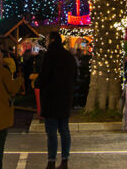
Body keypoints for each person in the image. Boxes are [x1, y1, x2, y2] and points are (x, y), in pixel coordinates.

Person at [35, 32, 77, 169]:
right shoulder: (68, 56)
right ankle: (65, 160)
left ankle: (51, 160)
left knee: (51, 131)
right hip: (65, 96)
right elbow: (75, 75)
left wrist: (37, 83)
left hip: (51, 97)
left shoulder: (49, 56)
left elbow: (44, 75)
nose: (45, 43)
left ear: (52, 40)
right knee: (64, 129)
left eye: (46, 40)